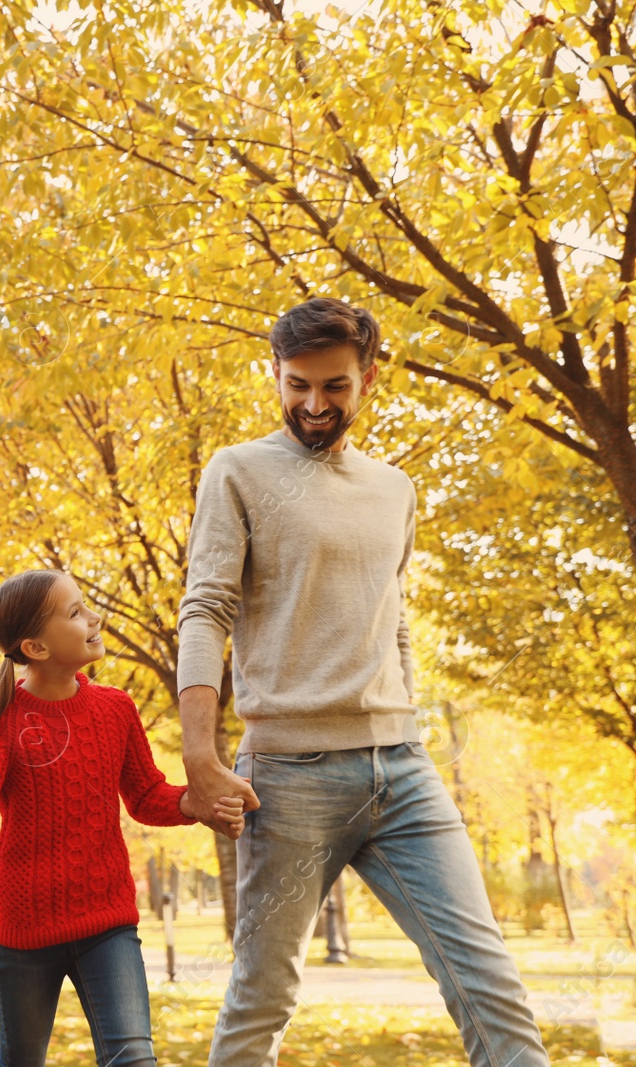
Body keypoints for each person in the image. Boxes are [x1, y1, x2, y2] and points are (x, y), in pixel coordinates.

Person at [177, 296, 550, 1066]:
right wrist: (201, 752)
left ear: (367, 380)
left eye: (334, 387)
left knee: (490, 985)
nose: (314, 405)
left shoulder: (395, 489)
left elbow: (394, 615)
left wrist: (405, 713)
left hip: (402, 768)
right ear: (275, 375)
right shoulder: (237, 471)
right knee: (263, 998)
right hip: (286, 777)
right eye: (298, 385)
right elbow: (206, 608)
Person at [0, 569, 245, 1067]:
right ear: (37, 648)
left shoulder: (115, 708)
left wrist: (193, 804)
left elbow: (147, 795)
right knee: (21, 1057)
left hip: (107, 921)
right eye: (75, 613)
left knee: (133, 1056)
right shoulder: (6, 720)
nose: (95, 617)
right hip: (23, 930)